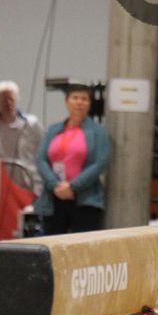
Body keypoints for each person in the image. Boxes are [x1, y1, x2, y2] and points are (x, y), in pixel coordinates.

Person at [34, 84, 110, 235]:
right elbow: (41, 159)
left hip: (85, 199)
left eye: (84, 99)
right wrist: (55, 184)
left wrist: (72, 186)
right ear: (66, 101)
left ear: (90, 104)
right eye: (75, 98)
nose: (79, 102)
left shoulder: (98, 131)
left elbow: (100, 162)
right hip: (54, 196)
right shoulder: (53, 129)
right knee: (52, 242)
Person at [0, 80, 43, 193]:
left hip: (28, 184)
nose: (8, 103)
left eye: (11, 99)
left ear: (17, 99)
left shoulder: (32, 123)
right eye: (3, 100)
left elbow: (45, 151)